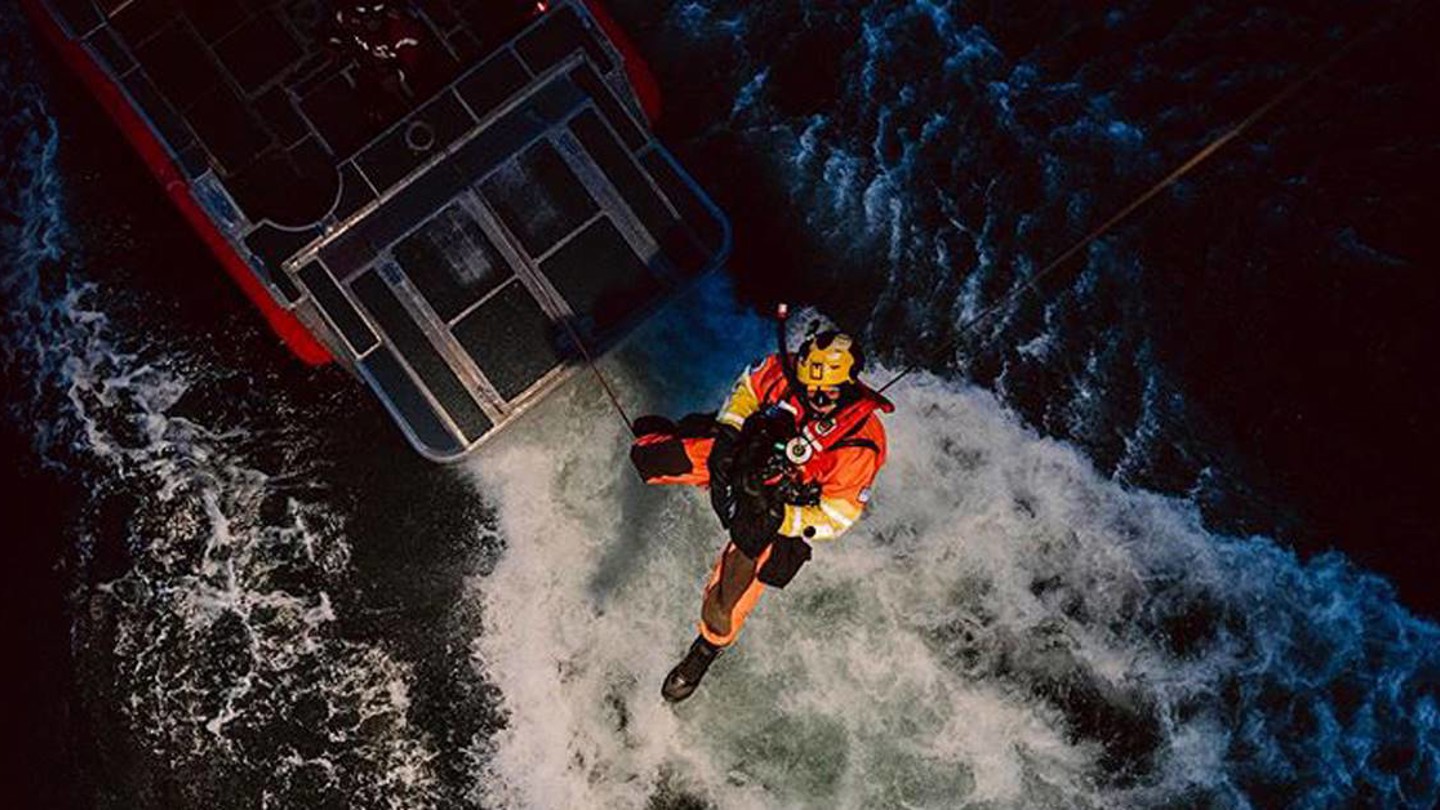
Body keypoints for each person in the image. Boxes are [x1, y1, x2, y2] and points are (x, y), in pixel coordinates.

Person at [630, 330, 892, 702]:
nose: (815, 399)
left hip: (776, 510)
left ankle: (704, 652)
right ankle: (679, 433)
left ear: (849, 384)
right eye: (809, 389)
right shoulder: (783, 373)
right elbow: (749, 390)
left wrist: (780, 517)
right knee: (647, 458)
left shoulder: (861, 443)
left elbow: (838, 515)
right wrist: (728, 435)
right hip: (743, 457)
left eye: (827, 393)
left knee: (727, 603)